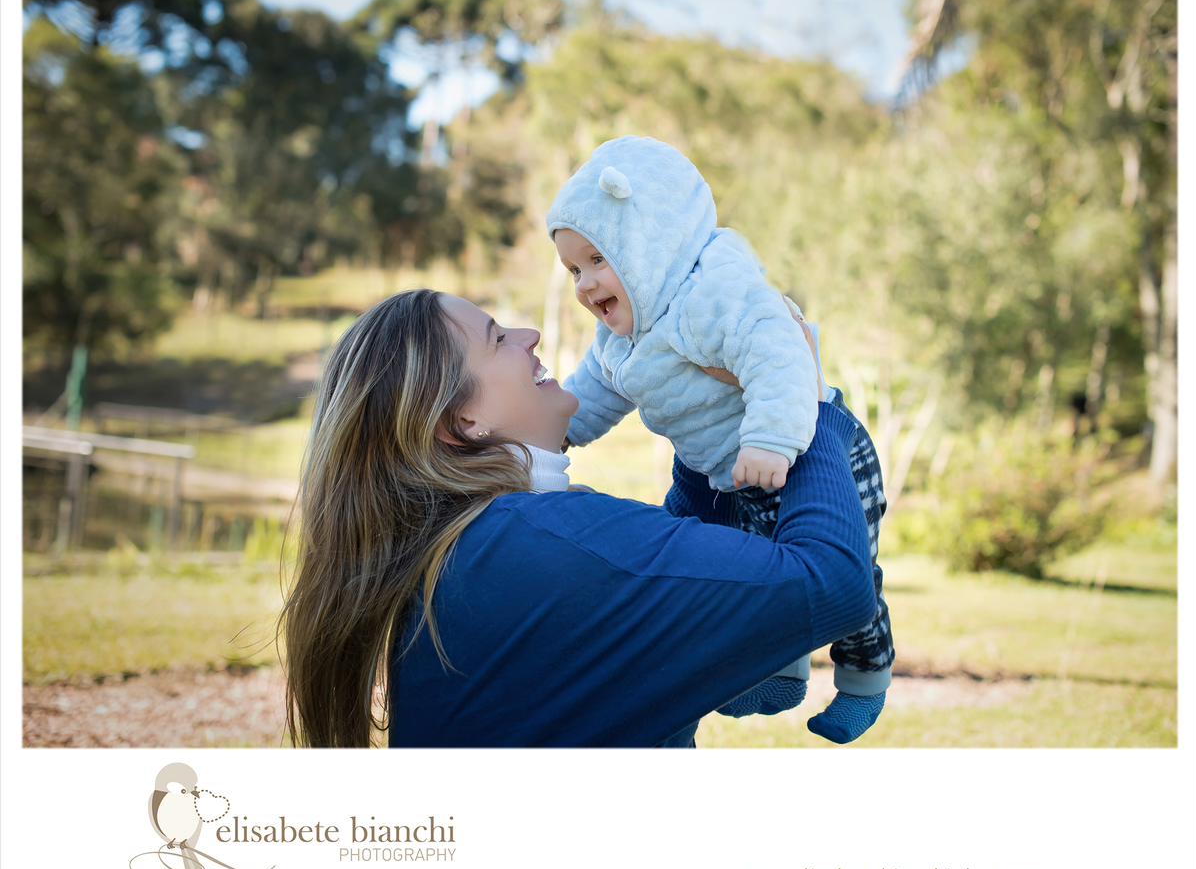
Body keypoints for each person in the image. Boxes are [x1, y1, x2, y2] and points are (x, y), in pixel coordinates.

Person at [279, 288, 875, 747]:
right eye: (497, 339)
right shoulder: (542, 545)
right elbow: (830, 582)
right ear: (460, 423)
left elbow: (673, 582)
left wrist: (701, 441)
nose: (529, 334)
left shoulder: (478, 549)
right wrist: (806, 402)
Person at [547, 135, 892, 743]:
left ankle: (865, 679)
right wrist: (556, 432)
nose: (583, 284)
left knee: (849, 575)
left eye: (599, 261)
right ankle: (779, 671)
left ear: (649, 246)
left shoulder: (710, 297)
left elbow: (781, 352)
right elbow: (595, 391)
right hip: (735, 475)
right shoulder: (620, 341)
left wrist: (770, 439)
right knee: (757, 565)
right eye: (574, 269)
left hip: (810, 447)